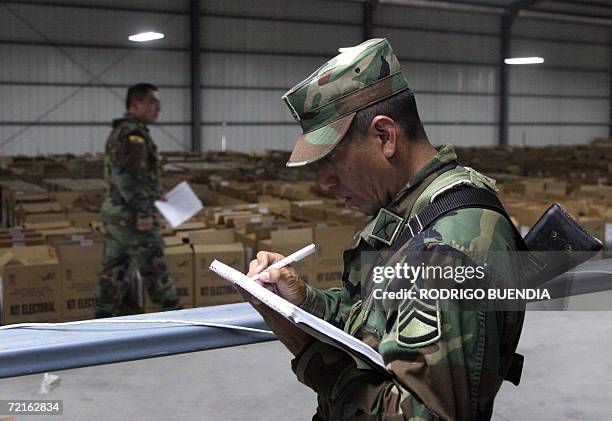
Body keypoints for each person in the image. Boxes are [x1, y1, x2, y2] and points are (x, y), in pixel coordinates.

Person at [243, 39, 525, 420]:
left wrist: (306, 349)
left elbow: (420, 414)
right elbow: (373, 324)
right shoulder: (410, 214)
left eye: (332, 159)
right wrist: (303, 302)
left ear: (384, 137)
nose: (324, 182)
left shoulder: (448, 244)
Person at [95, 83, 181, 318]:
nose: (158, 108)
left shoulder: (125, 131)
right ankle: (180, 323)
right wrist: (143, 212)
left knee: (112, 275)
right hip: (133, 219)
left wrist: (155, 195)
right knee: (157, 274)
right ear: (136, 104)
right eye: (153, 102)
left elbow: (135, 178)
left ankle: (100, 323)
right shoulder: (133, 136)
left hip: (118, 216)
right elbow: (128, 179)